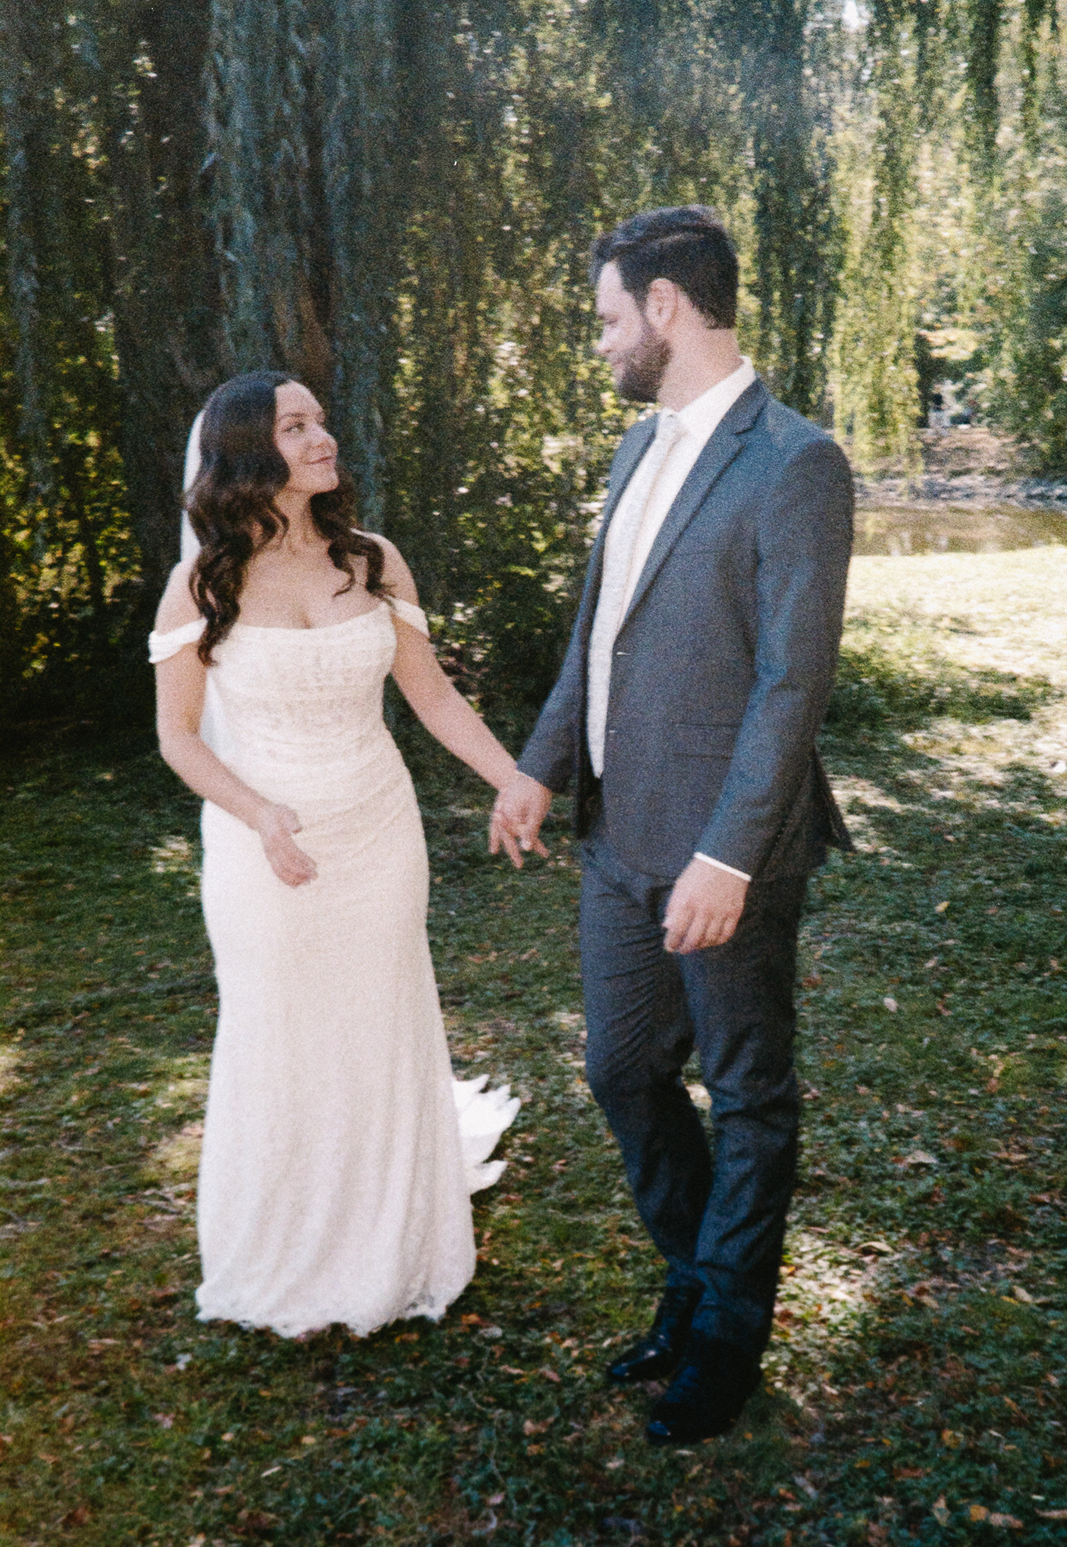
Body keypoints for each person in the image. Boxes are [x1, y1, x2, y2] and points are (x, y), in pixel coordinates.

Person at [491, 207, 853, 1444]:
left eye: (604, 319)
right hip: (612, 839)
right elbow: (597, 635)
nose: (598, 345)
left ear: (662, 309)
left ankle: (724, 1338)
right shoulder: (634, 451)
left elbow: (790, 687)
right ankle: (697, 1279)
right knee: (618, 1067)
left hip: (719, 854)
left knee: (746, 1094)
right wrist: (539, 766)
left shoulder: (794, 460)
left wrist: (728, 854)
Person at [150, 370, 531, 1338]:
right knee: (281, 1032)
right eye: (295, 424)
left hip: (375, 832)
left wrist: (510, 777)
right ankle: (288, 1250)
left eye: (320, 418)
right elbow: (181, 737)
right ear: (247, 452)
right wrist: (257, 811)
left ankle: (395, 1243)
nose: (323, 437)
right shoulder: (204, 583)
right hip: (260, 844)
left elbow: (433, 695)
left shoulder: (372, 561)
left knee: (378, 1021)